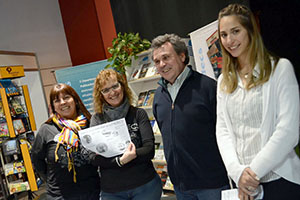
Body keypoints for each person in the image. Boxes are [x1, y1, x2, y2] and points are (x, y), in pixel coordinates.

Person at [216, 4, 300, 200]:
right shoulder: (224, 81)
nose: (229, 40)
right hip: (243, 186)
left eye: (235, 31)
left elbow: (288, 130)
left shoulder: (280, 69)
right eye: (224, 34)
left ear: (250, 31)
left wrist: (252, 173)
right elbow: (223, 131)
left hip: (280, 182)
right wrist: (238, 173)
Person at [151, 33, 229, 200]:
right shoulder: (158, 97)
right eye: (157, 61)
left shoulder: (207, 88)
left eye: (166, 57)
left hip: (212, 185)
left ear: (182, 56)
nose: (162, 64)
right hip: (181, 187)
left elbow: (227, 133)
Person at [89, 69, 162, 200]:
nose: (112, 92)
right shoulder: (97, 119)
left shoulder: (138, 114)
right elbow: (93, 157)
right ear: (100, 95)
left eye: (115, 86)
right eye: (105, 90)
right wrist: (120, 161)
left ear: (122, 86)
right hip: (112, 192)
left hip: (145, 187)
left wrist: (130, 156)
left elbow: (149, 149)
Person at [31, 84, 100, 200]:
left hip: (92, 192)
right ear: (53, 106)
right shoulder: (46, 129)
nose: (63, 102)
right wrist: (50, 179)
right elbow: (37, 159)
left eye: (66, 97)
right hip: (59, 195)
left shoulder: (91, 124)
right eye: (57, 100)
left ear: (75, 100)